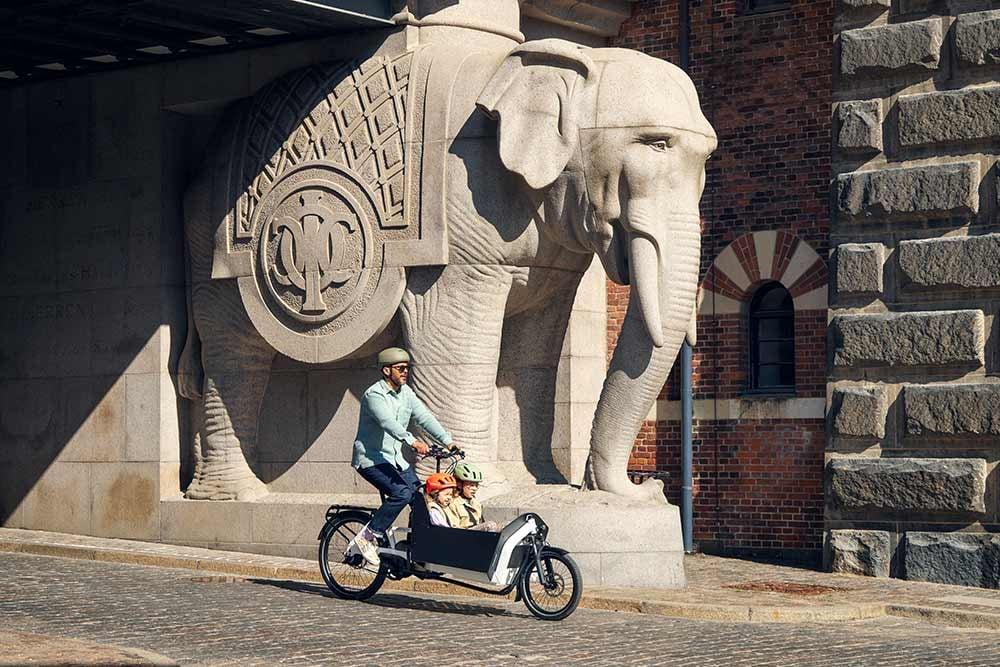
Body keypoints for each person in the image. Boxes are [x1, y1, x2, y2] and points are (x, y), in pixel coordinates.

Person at [350, 347, 454, 566]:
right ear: (386, 370)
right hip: (371, 459)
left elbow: (424, 417)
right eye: (400, 368)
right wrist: (412, 441)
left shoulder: (406, 393)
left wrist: (448, 441)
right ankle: (367, 537)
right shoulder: (374, 395)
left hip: (396, 460)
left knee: (421, 499)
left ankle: (416, 550)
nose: (405, 372)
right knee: (402, 493)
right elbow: (387, 422)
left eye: (407, 368)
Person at [444, 461, 499, 532]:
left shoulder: (476, 503)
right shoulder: (452, 503)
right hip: (463, 534)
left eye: (476, 485)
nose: (474, 489)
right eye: (471, 485)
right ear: (459, 484)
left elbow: (480, 522)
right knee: (490, 525)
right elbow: (454, 529)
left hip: (476, 534)